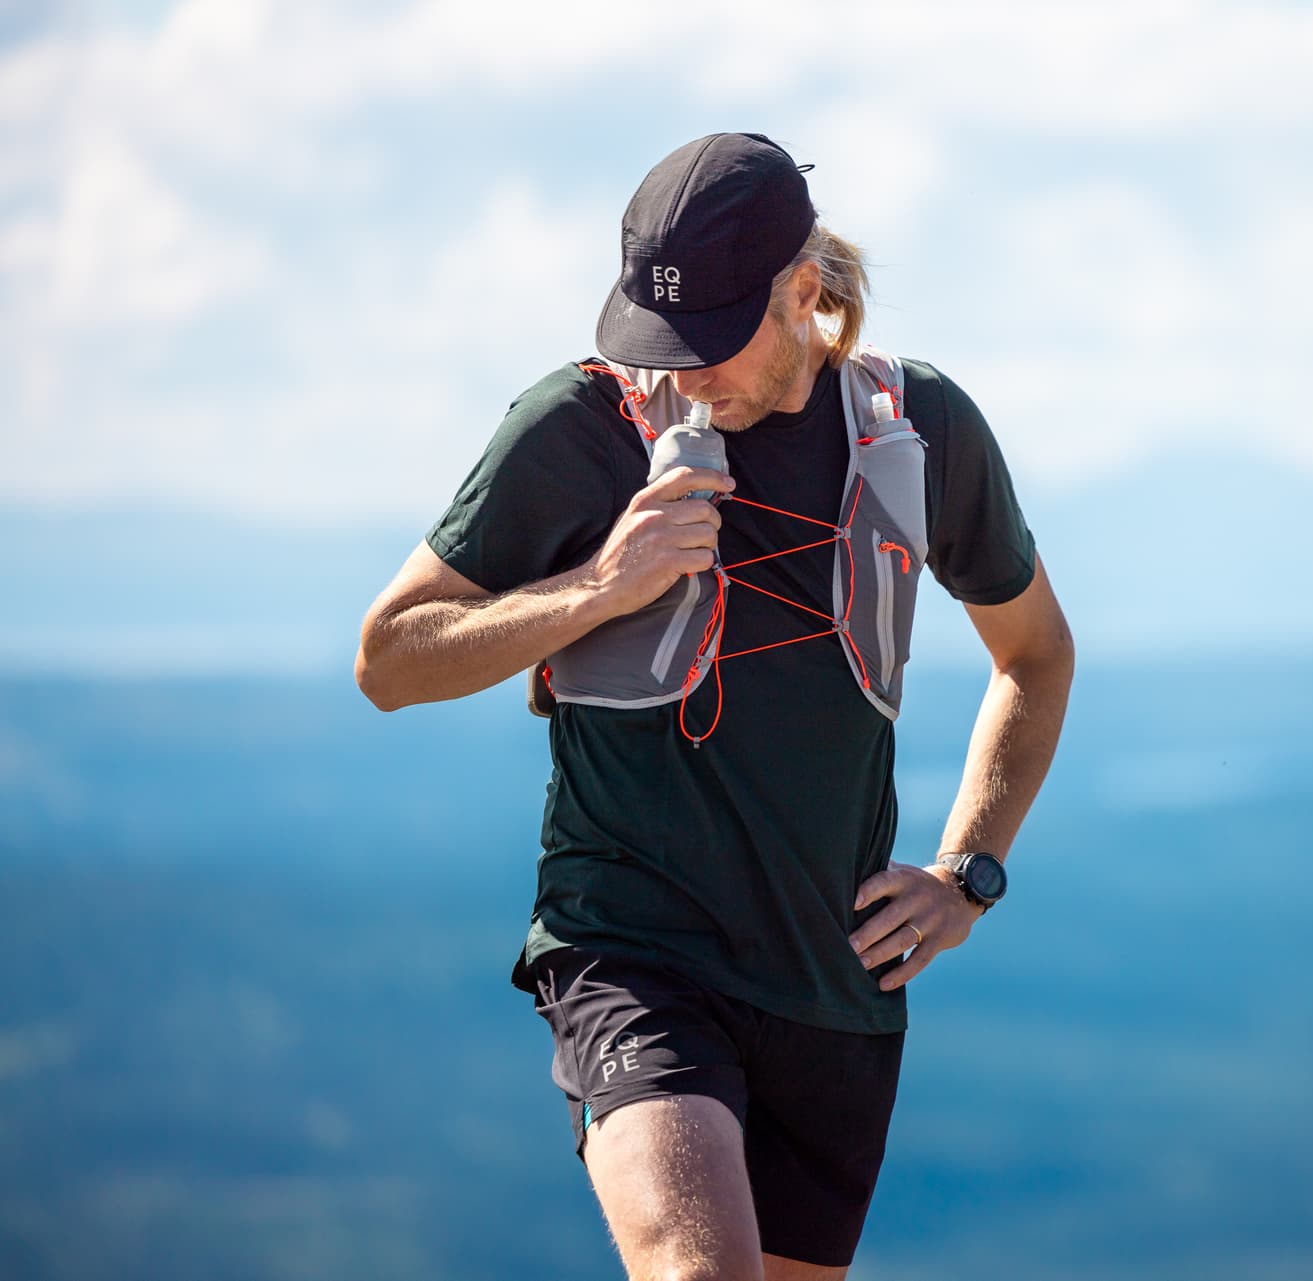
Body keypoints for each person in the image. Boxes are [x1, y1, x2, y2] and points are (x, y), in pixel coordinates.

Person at [354, 132, 1073, 1281]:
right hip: (634, 954)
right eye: (659, 342)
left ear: (805, 293)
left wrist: (966, 875)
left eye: (712, 343)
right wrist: (602, 585)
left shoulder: (918, 430)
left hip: (835, 988)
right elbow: (390, 658)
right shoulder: (579, 433)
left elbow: (1033, 655)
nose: (685, 377)